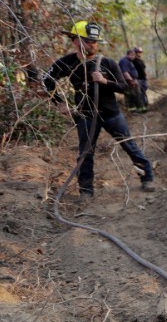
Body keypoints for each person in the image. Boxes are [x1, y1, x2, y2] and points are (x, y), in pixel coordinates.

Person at [43, 21, 156, 197]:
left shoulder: (108, 63)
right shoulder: (67, 63)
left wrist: (105, 82)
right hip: (86, 115)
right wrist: (59, 102)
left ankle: (147, 177)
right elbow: (47, 81)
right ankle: (86, 191)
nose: (93, 45)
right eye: (88, 41)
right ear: (75, 41)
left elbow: (124, 87)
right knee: (85, 154)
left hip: (112, 114)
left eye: (95, 41)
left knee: (129, 145)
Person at [131, 46, 149, 112]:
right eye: (138, 52)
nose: (140, 53)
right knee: (139, 94)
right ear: (135, 53)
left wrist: (146, 75)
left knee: (143, 92)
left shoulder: (141, 61)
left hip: (143, 79)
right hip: (138, 80)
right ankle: (141, 107)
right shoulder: (133, 61)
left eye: (140, 52)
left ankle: (145, 105)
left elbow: (143, 69)